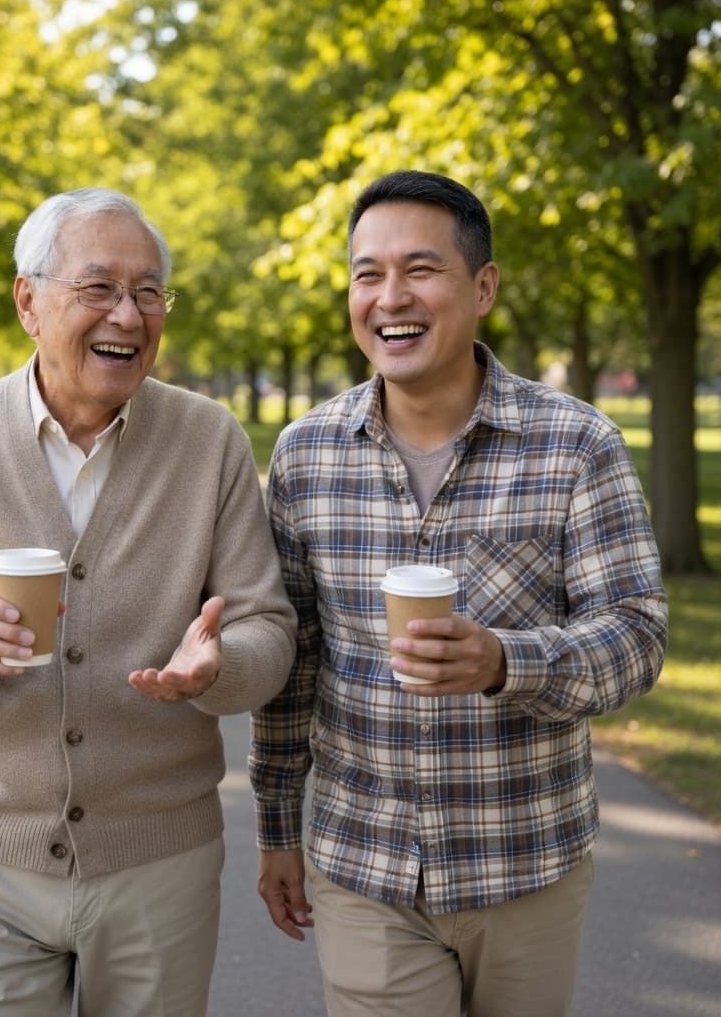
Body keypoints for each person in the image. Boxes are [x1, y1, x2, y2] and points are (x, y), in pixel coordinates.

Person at [0, 187, 296, 1016]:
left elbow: (269, 627)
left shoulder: (210, 440)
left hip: (160, 863)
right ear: (28, 302)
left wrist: (220, 668)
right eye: (98, 288)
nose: (128, 314)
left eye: (149, 291)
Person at [249, 170, 668, 1016]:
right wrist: (274, 828)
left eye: (420, 270)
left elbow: (635, 635)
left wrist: (504, 661)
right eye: (367, 274)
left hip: (527, 865)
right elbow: (295, 666)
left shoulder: (576, 444)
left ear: (482, 288)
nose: (389, 297)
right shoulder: (305, 456)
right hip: (363, 867)